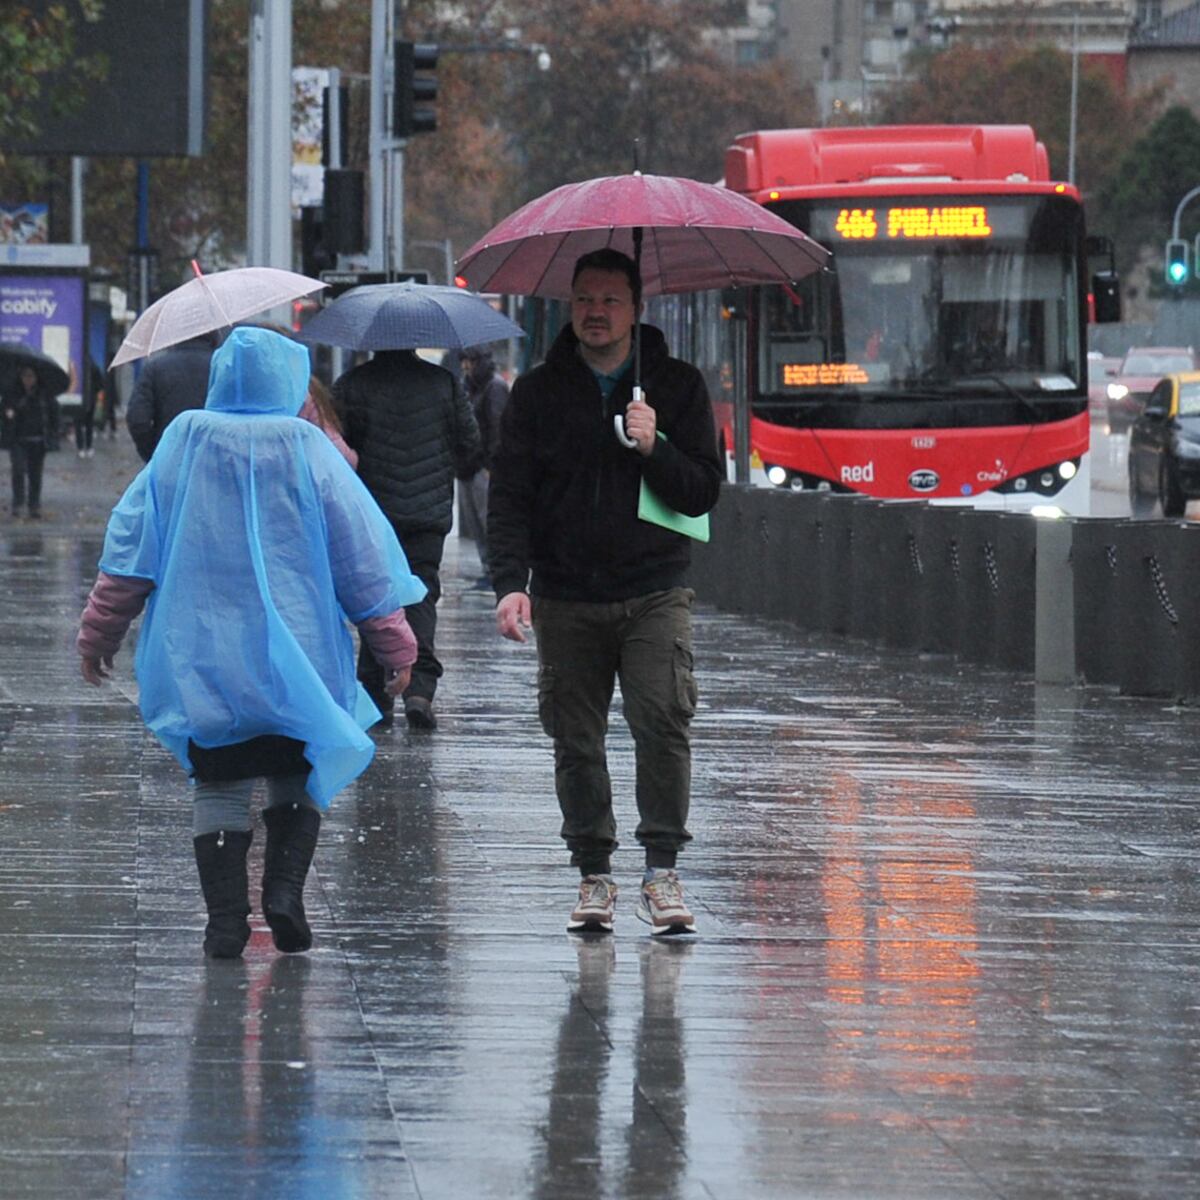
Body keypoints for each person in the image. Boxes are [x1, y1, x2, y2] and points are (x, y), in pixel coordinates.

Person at [76, 327, 426, 960]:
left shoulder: (184, 442)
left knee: (219, 781)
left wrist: (98, 634)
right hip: (298, 653)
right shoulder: (308, 448)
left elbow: (131, 551)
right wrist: (397, 645)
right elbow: (361, 561)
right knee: (294, 770)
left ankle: (225, 921)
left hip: (205, 655)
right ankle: (284, 894)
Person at [487, 248, 722, 936]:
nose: (596, 312)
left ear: (636, 310)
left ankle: (661, 869)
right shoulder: (536, 393)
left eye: (610, 300)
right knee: (575, 739)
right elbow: (510, 498)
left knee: (662, 721)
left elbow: (705, 488)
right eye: (584, 299)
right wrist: (511, 584)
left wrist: (658, 447)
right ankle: (594, 871)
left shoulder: (676, 386)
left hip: (654, 588)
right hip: (565, 595)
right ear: (570, 307)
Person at [336, 347, 482, 731]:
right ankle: (419, 688)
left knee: (374, 596)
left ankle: (376, 692)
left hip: (371, 513)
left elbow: (337, 447)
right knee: (420, 595)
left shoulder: (354, 384)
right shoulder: (444, 383)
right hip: (426, 516)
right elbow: (470, 443)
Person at [457, 345, 509, 589]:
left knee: (487, 520)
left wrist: (491, 465)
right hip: (468, 465)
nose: (465, 366)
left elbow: (498, 428)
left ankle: (495, 571)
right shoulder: (468, 386)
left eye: (469, 361)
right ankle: (487, 568)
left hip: (483, 467)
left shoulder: (493, 387)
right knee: (476, 523)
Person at [126, 330, 219, 461]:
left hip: (169, 459)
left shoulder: (154, 368)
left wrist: (154, 454)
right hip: (213, 460)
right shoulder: (223, 367)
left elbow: (138, 419)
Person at [1, 364, 60, 519]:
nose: (28, 380)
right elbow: (5, 413)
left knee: (35, 474)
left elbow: (54, 413)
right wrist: (8, 415)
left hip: (38, 440)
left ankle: (34, 504)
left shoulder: (44, 394)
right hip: (18, 439)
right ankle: (18, 503)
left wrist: (54, 433)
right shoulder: (12, 394)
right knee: (18, 471)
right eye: (25, 376)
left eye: (31, 376)